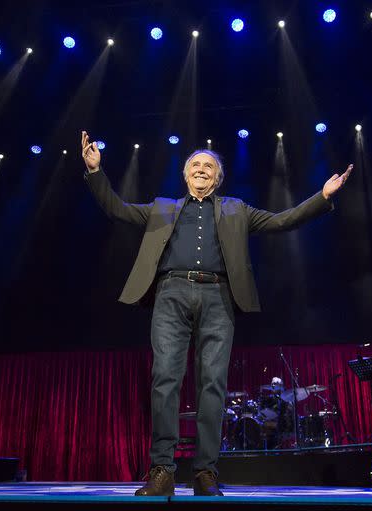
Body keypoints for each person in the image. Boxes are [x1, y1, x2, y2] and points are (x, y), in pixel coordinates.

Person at [81, 131, 352, 496]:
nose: (202, 169)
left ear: (218, 177)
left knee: (213, 385)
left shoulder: (237, 209)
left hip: (219, 296)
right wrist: (96, 172)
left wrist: (322, 197)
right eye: (195, 165)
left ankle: (205, 472)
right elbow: (116, 208)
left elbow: (282, 221)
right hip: (170, 293)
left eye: (209, 166)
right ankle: (161, 470)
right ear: (185, 174)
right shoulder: (162, 207)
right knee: (165, 379)